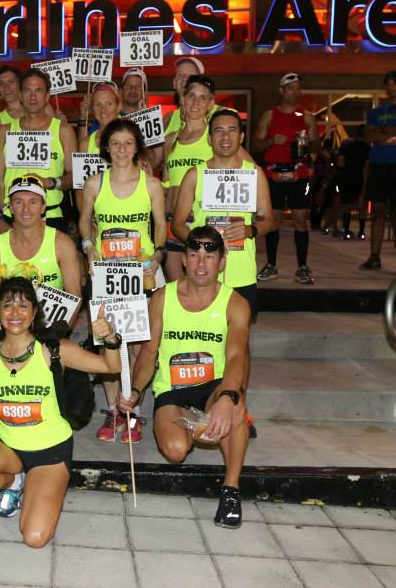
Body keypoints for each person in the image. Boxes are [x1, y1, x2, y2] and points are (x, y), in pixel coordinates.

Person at [0, 276, 121, 547]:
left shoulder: (54, 350)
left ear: (34, 314)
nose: (15, 312)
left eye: (23, 305)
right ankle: (14, 481)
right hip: (7, 444)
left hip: (51, 451)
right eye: (7, 305)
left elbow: (110, 368)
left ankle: (38, 484)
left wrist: (110, 339)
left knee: (34, 537)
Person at [118, 226, 251, 528]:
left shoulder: (235, 303)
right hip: (173, 390)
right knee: (176, 451)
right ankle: (198, 424)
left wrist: (228, 397)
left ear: (222, 262)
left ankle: (231, 489)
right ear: (184, 260)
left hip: (214, 387)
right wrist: (135, 392)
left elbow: (236, 357)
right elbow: (149, 352)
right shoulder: (163, 298)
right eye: (194, 255)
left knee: (235, 406)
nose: (201, 263)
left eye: (209, 256)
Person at [79, 118, 166, 442]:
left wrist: (157, 256)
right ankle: (113, 409)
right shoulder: (94, 184)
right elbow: (84, 221)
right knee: (109, 341)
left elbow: (160, 225)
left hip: (142, 272)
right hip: (106, 273)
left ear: (137, 147)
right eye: (115, 143)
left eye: (128, 143)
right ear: (106, 148)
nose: (121, 149)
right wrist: (88, 247)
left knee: (140, 344)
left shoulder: (151, 185)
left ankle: (133, 410)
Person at [173, 109, 273, 316]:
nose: (225, 137)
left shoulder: (254, 174)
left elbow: (267, 219)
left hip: (242, 273)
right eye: (219, 131)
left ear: (241, 137)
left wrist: (250, 230)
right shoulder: (195, 175)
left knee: (239, 333)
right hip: (202, 272)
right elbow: (178, 224)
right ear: (210, 139)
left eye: (232, 130)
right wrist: (202, 245)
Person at [0, 175, 82, 315]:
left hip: (51, 323)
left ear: (43, 207)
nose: (26, 209)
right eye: (18, 202)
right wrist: (12, 312)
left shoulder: (62, 244)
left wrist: (59, 326)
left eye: (33, 202)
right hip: (12, 322)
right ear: (11, 207)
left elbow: (74, 296)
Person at [0, 69, 76, 234]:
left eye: (38, 90)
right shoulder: (4, 131)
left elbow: (75, 176)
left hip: (50, 214)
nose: (32, 96)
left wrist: (51, 182)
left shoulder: (63, 130)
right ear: (20, 95)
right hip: (11, 216)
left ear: (47, 96)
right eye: (27, 90)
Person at [253, 72, 318, 285]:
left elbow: (316, 146)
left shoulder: (307, 116)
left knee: (301, 219)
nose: (295, 92)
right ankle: (271, 265)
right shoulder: (269, 115)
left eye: (298, 88)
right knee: (273, 220)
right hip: (274, 173)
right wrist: (272, 140)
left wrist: (308, 144)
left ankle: (302, 267)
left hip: (299, 173)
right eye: (291, 88)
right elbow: (256, 145)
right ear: (282, 91)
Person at [359, 71, 396, 272]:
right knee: (377, 211)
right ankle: (374, 256)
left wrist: (382, 131)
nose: (390, 87)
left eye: (395, 84)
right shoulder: (376, 111)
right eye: (388, 84)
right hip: (378, 164)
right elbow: (368, 136)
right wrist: (393, 130)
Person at [163, 74, 216, 280]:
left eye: (203, 98)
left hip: (202, 221)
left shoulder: (214, 138)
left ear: (210, 104)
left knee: (201, 278)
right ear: (182, 98)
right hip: (174, 221)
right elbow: (167, 182)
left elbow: (249, 168)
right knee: (175, 280)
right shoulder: (171, 139)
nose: (196, 102)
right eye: (191, 95)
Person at [164, 57, 205, 138]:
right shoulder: (167, 119)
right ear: (174, 83)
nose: (185, 78)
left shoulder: (216, 115)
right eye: (180, 75)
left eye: (191, 75)